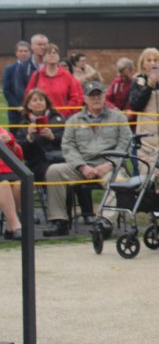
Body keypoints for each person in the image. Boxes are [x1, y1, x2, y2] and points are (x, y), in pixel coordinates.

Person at [43, 81, 131, 236]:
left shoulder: (119, 117)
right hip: (82, 166)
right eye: (92, 95)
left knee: (118, 181)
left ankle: (104, 224)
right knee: (54, 171)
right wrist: (81, 166)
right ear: (85, 98)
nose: (96, 98)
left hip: (109, 167)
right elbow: (68, 147)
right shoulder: (73, 120)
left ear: (105, 96)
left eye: (99, 95)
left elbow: (125, 144)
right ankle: (59, 221)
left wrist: (109, 164)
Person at [129, 48, 159, 177]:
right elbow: (136, 105)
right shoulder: (137, 81)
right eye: (149, 60)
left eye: (156, 60)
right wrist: (149, 86)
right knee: (148, 173)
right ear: (143, 63)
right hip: (146, 134)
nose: (153, 63)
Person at [15, 89, 65, 183]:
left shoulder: (58, 118)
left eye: (41, 100)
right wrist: (29, 137)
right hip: (38, 163)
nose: (38, 102)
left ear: (46, 103)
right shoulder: (24, 124)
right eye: (35, 100)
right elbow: (20, 151)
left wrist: (52, 137)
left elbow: (68, 140)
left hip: (60, 158)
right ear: (28, 105)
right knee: (50, 173)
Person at [26, 44, 83, 116]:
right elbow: (28, 96)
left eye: (54, 53)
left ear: (58, 56)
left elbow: (75, 97)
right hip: (40, 118)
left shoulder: (67, 75)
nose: (52, 55)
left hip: (61, 118)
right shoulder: (36, 75)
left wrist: (65, 112)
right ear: (44, 57)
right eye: (49, 53)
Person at [0, 126, 23, 240]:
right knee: (3, 184)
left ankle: (10, 227)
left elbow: (19, 156)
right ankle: (15, 225)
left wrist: (11, 143)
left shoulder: (2, 130)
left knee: (19, 185)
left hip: (7, 170)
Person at [14, 33, 48, 100]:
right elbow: (20, 89)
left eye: (44, 45)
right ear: (32, 46)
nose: (42, 47)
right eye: (39, 44)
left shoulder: (53, 65)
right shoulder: (23, 67)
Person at [3, 41, 31, 114]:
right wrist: (17, 106)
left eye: (25, 51)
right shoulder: (9, 69)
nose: (23, 53)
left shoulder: (33, 68)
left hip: (33, 109)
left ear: (29, 52)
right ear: (16, 53)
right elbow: (6, 90)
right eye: (20, 51)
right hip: (15, 111)